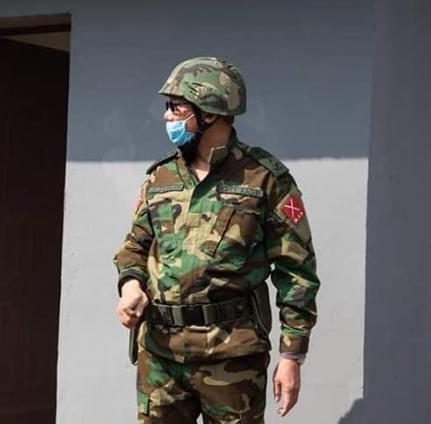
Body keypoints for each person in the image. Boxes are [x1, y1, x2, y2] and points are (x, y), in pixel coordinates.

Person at [114, 57, 320, 423]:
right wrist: (131, 286)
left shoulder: (264, 179)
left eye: (177, 108)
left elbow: (297, 271)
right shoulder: (160, 177)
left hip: (231, 358)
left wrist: (292, 357)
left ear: (209, 113)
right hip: (161, 356)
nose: (167, 117)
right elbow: (135, 246)